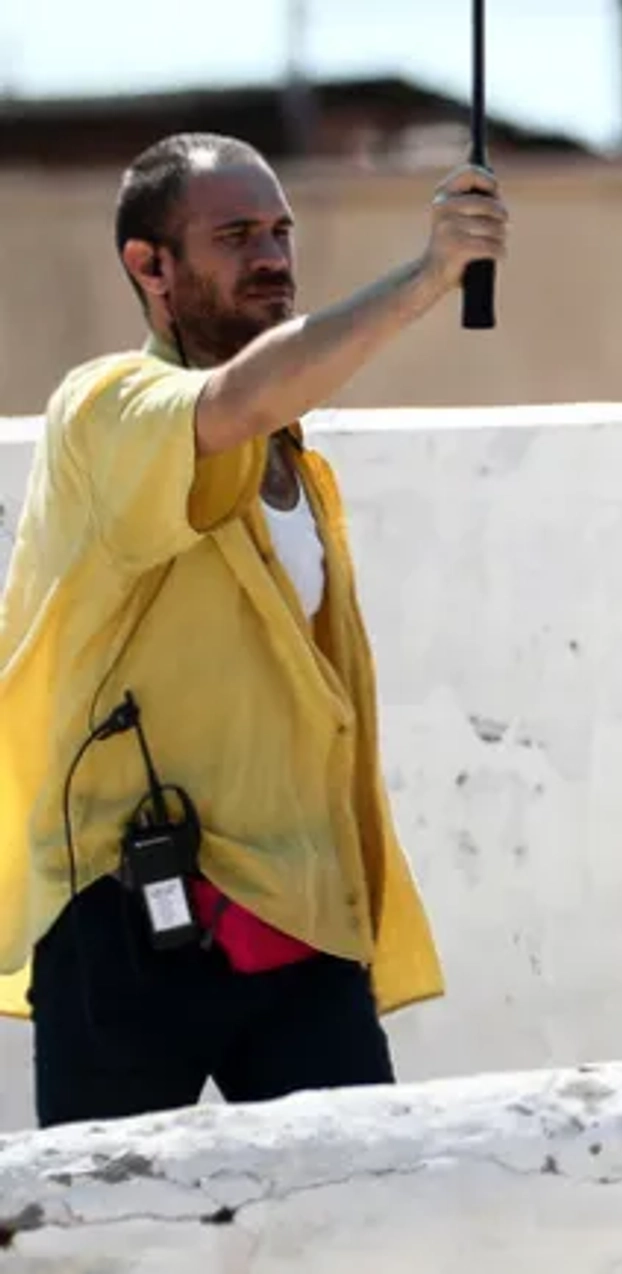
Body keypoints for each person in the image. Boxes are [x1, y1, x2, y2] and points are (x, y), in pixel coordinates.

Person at [0, 132, 506, 1127]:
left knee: (356, 1215)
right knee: (116, 1234)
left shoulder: (297, 463)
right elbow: (233, 398)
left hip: (301, 923)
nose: (272, 255)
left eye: (280, 229)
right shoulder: (104, 407)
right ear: (150, 266)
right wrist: (425, 276)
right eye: (234, 235)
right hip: (127, 915)